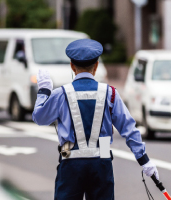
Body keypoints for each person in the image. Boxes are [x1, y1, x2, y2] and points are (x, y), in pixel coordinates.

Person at [32, 39, 159, 200]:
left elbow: (39, 118)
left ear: (72, 66)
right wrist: (144, 160)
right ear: (96, 65)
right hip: (102, 163)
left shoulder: (61, 93)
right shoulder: (110, 93)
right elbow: (129, 128)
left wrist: (44, 90)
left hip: (70, 162)